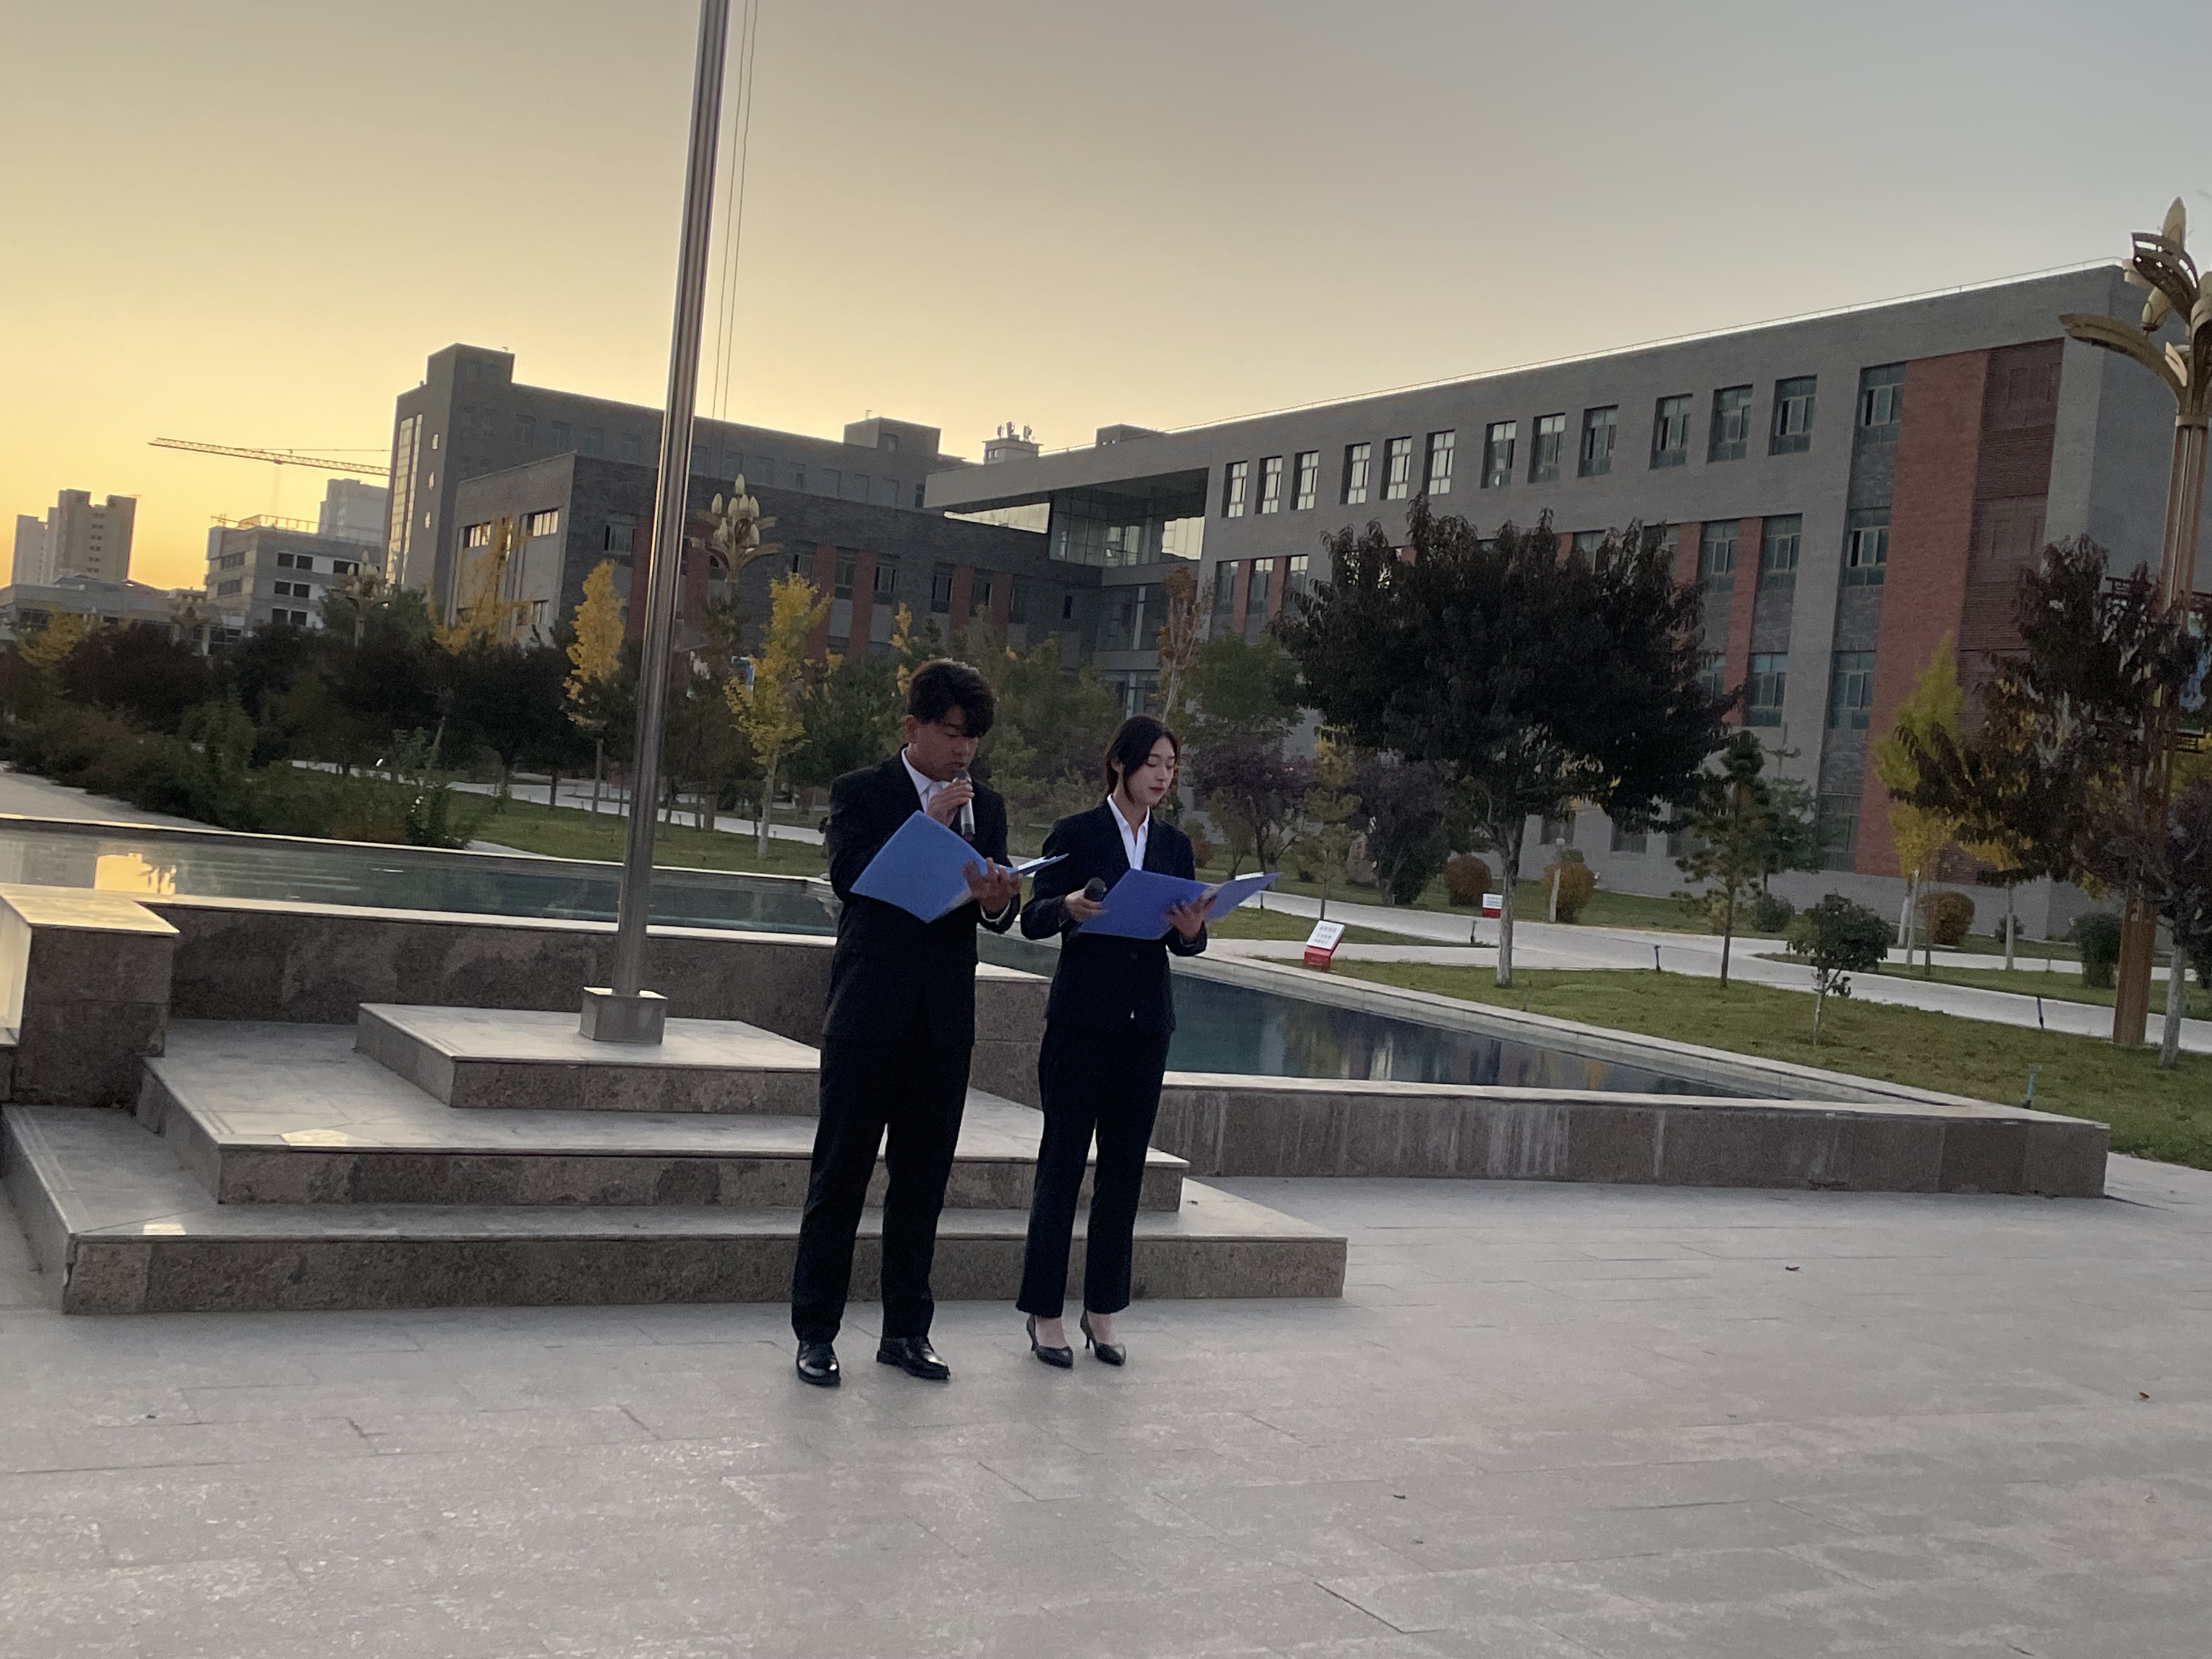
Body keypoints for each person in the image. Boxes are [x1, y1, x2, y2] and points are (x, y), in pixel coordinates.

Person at [790, 659, 1022, 1387]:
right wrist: (927, 828)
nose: (963, 751)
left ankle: (907, 1331)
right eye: (952, 734)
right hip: (868, 1013)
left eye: (974, 738)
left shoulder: (988, 805)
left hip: (943, 1019)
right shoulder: (862, 792)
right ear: (913, 727)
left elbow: (999, 906)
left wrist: (997, 900)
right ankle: (816, 1332)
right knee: (841, 1177)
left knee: (922, 1183)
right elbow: (852, 880)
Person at [1015, 715, 1206, 1368]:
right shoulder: (1076, 833)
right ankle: (1045, 1313)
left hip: (1145, 1025)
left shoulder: (1174, 845)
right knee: (1062, 1166)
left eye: (1171, 766)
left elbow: (1188, 940)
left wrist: (1191, 930)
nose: (1163, 776)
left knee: (1124, 1172)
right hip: (1081, 1023)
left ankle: (1103, 1310)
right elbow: (1031, 918)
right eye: (1153, 763)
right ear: (1121, 764)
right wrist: (1066, 907)